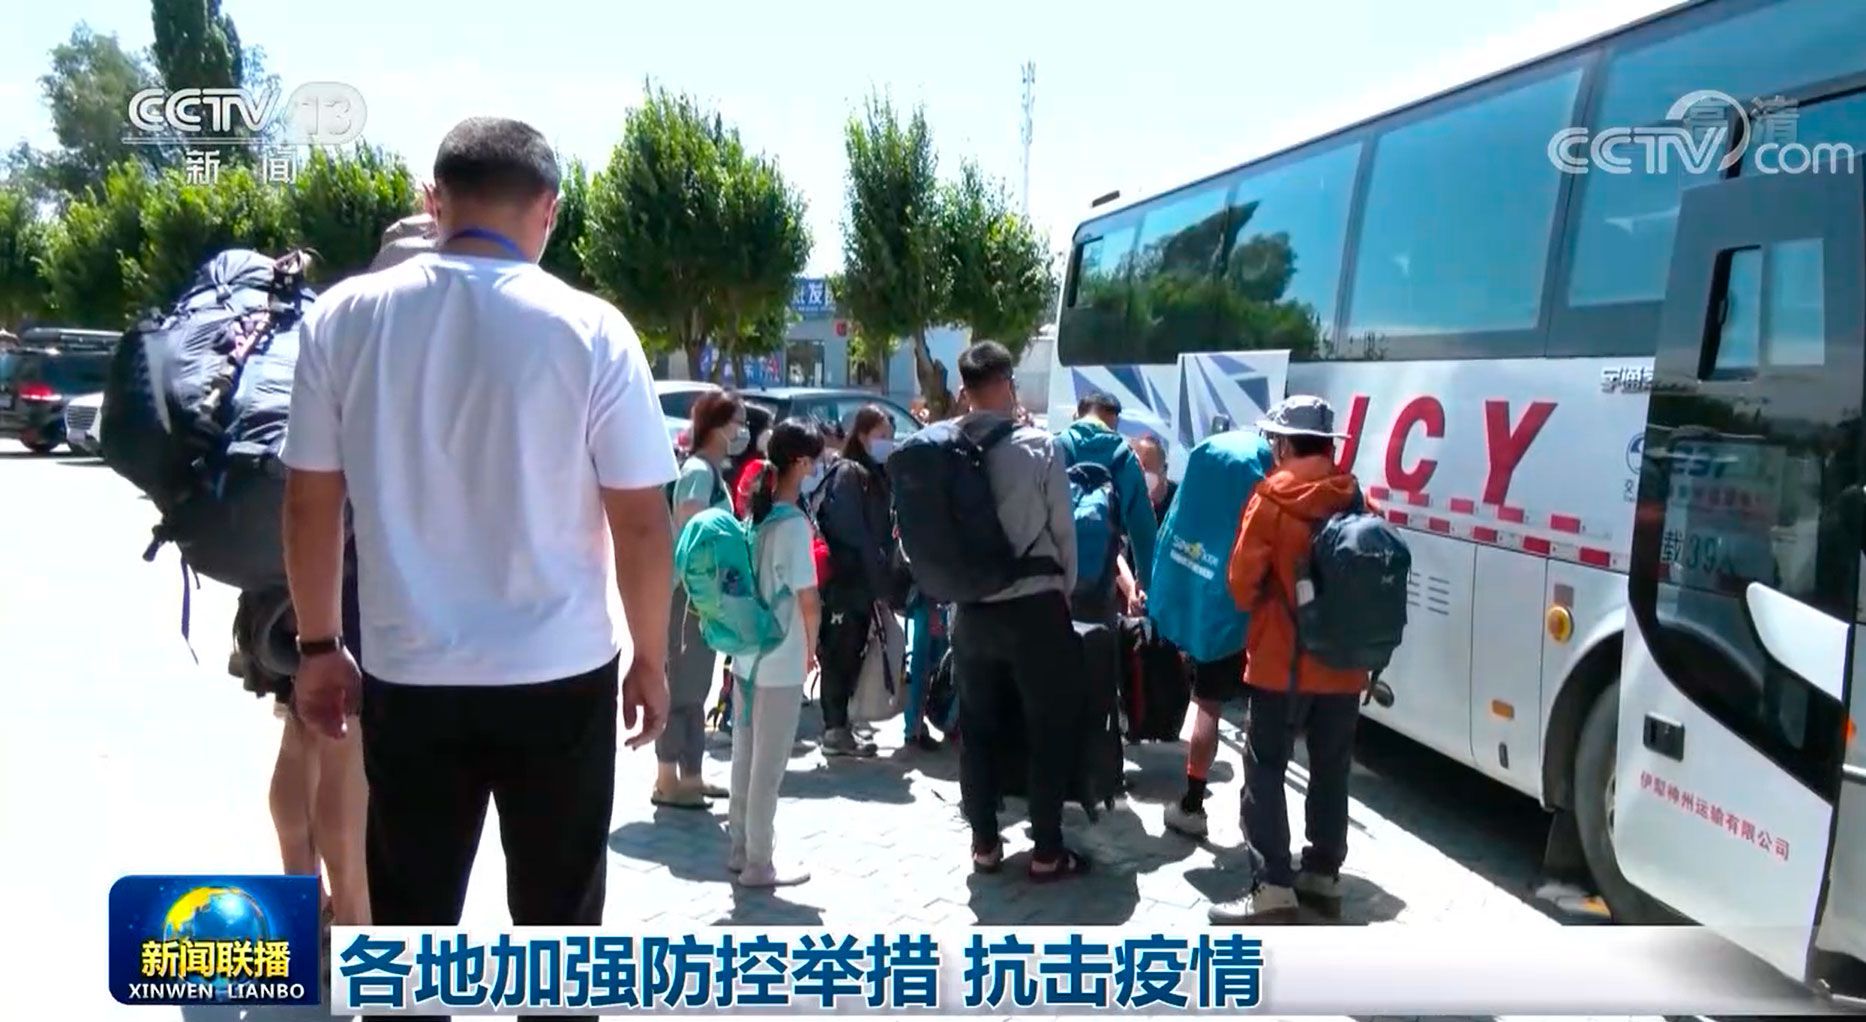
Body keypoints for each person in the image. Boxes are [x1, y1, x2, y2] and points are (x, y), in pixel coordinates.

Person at [281, 118, 675, 985]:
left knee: (411, 920)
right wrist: (650, 657)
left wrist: (318, 645)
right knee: (561, 926)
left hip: (409, 673)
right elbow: (643, 522)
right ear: (549, 210)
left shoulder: (345, 318)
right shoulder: (592, 328)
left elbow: (310, 503)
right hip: (560, 673)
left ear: (436, 201)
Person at [1207, 395, 1368, 925]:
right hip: (1344, 664)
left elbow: (1240, 586)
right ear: (1327, 445)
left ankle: (1273, 887)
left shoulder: (1271, 498)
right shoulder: (1353, 496)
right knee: (1331, 771)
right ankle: (1323, 876)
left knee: (1266, 770)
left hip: (1282, 664)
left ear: (1282, 445)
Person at [948, 341, 1088, 881]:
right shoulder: (1038, 446)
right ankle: (1047, 850)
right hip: (1035, 607)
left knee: (977, 728)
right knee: (1046, 728)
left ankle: (984, 845)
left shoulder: (943, 448)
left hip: (972, 612)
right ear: (1008, 383)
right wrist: (1064, 589)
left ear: (964, 390)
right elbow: (1063, 530)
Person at [1149, 429, 1275, 839]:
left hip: (1217, 617)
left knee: (1207, 707)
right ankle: (1260, 816)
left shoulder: (1195, 497)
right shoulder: (1268, 501)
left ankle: (1192, 804)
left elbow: (1168, 544)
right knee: (1267, 720)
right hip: (1264, 621)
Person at [729, 418, 826, 887]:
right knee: (768, 767)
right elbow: (809, 599)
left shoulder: (756, 515)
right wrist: (812, 647)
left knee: (744, 758)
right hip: (781, 658)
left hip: (746, 655)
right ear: (801, 463)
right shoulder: (793, 525)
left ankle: (739, 850)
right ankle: (759, 863)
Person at [658, 391, 746, 807]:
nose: (742, 431)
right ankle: (667, 779)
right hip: (689, 595)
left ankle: (690, 775)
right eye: (737, 421)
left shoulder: (710, 471)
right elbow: (690, 526)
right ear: (717, 425)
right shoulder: (697, 472)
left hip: (702, 596)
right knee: (683, 685)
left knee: (696, 686)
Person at [813, 406, 899, 757]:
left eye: (890, 436)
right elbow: (852, 530)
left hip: (862, 582)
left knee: (854, 652)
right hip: (847, 581)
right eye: (881, 435)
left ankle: (843, 725)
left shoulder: (875, 474)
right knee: (840, 653)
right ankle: (834, 729)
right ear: (862, 435)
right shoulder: (849, 473)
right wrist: (875, 567)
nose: (888, 442)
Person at [1054, 392, 1160, 616]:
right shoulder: (1124, 457)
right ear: (1114, 422)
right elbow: (1143, 528)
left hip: (1054, 575)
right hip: (1100, 579)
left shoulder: (1055, 446)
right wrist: (1144, 581)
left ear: (1078, 414)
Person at [1132, 434, 1177, 526]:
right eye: (1136, 467)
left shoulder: (1180, 503)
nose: (1141, 474)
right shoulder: (1125, 501)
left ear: (1164, 470)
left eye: (1145, 466)